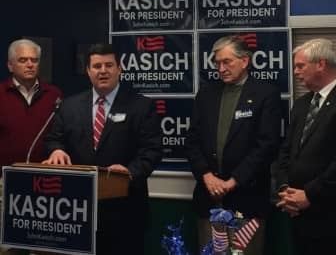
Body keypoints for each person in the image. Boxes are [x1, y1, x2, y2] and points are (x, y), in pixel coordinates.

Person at [43, 44, 162, 255]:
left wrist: (130, 172)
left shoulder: (141, 106)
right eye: (97, 66)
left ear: (120, 69)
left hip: (125, 212)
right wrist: (56, 150)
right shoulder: (69, 105)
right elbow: (54, 139)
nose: (103, 71)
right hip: (76, 213)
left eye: (109, 65)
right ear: (88, 71)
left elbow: (152, 150)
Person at [185, 35, 281, 255]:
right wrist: (206, 175)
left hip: (247, 198)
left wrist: (233, 181)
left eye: (227, 62)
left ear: (245, 61)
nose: (221, 68)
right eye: (217, 63)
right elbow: (192, 141)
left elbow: (266, 145)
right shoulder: (207, 93)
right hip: (210, 198)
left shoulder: (266, 94)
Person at [0, 39, 62, 254]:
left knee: (43, 246)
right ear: (10, 65)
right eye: (23, 60)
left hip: (45, 186)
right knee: (8, 247)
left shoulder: (54, 95)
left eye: (34, 60)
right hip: (5, 184)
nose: (29, 64)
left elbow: (62, 135)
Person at [276, 38, 336, 255]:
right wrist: (285, 190)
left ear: (321, 64)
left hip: (328, 213)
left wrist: (309, 195)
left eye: (300, 66)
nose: (295, 72)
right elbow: (286, 151)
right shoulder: (301, 104)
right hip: (296, 211)